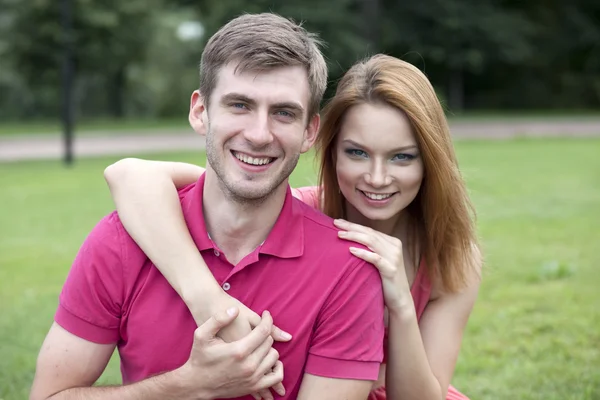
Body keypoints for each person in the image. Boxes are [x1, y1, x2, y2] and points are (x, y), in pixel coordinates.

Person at [30, 13, 387, 400]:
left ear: (310, 132)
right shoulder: (120, 241)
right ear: (200, 112)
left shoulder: (347, 269)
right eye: (239, 105)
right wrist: (188, 386)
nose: (258, 134)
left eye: (284, 113)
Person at [103, 54, 483, 400]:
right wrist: (208, 299)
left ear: (428, 160)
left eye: (401, 157)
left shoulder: (451, 255)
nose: (377, 177)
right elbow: (128, 175)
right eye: (357, 153)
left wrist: (399, 302)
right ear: (329, 148)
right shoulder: (298, 209)